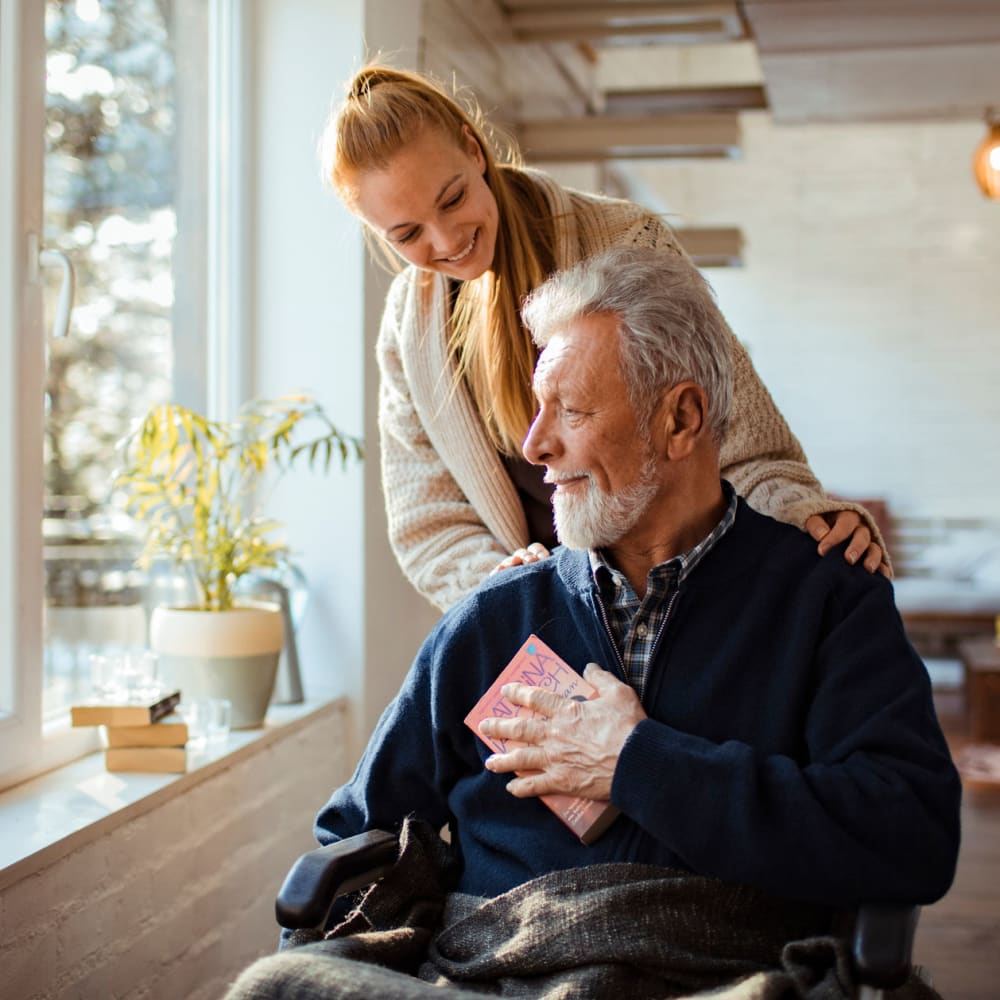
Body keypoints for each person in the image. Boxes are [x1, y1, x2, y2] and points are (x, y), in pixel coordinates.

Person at [225, 248, 960, 1000]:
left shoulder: (826, 601)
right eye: (537, 408)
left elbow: (912, 838)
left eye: (570, 410)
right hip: (492, 977)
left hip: (721, 979)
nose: (533, 443)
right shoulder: (495, 616)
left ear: (681, 418)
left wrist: (637, 763)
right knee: (279, 986)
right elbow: (356, 833)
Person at [322, 63, 890, 612]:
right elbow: (430, 521)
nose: (446, 239)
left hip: (682, 594)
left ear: (475, 150)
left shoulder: (626, 239)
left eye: (452, 199)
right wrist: (501, 587)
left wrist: (805, 514)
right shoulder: (408, 329)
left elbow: (734, 427)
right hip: (539, 621)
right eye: (407, 234)